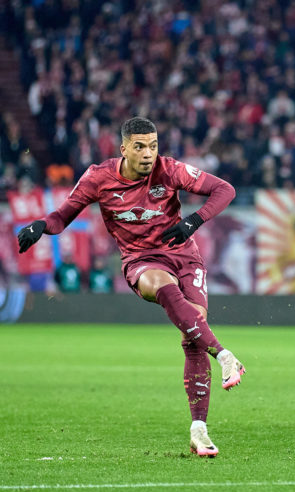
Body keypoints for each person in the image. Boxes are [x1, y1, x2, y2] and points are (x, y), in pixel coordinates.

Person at [17, 117, 245, 457]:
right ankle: (225, 355)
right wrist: (39, 226)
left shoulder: (168, 170)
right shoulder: (99, 177)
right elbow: (61, 216)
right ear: (123, 149)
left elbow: (225, 189)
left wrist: (191, 223)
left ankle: (199, 430)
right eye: (140, 146)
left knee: (192, 334)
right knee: (164, 287)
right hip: (141, 261)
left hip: (185, 257)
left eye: (153, 146)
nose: (148, 153)